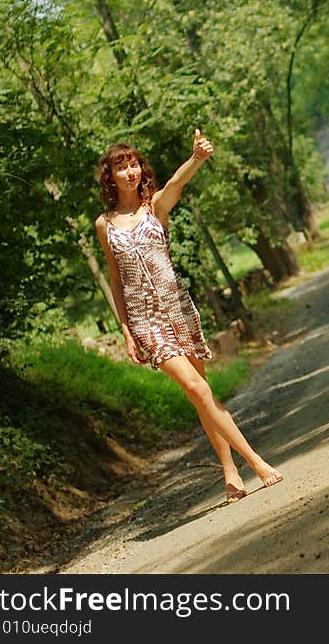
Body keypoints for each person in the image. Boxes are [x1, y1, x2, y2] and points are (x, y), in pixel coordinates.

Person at [94, 127, 283, 504]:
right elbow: (115, 280)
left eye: (133, 164)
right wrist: (126, 330)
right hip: (147, 321)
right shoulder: (105, 225)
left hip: (178, 308)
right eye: (122, 166)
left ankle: (229, 472)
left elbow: (176, 185)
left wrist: (197, 157)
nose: (130, 171)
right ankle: (257, 463)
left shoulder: (154, 208)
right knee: (197, 390)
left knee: (203, 395)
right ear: (111, 176)